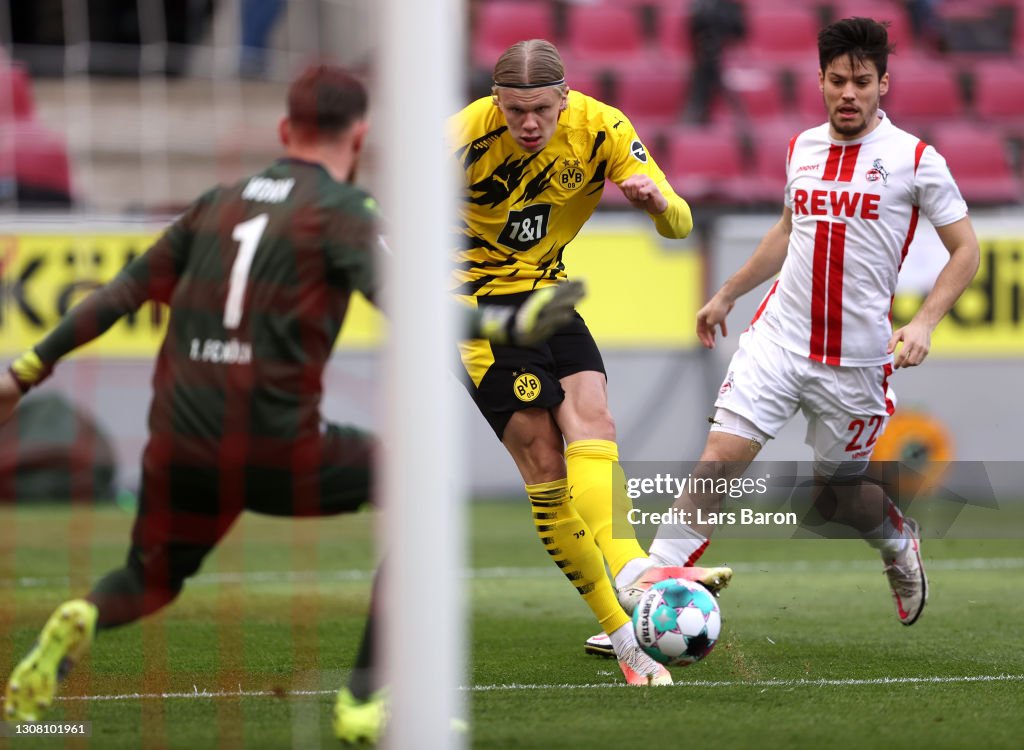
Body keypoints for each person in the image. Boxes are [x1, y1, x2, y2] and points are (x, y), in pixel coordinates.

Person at [0, 63, 584, 741]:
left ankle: (88, 615)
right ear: (359, 137)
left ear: (284, 129)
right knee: (422, 496)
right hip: (275, 440)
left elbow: (119, 294)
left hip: (180, 439)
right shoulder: (343, 214)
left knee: (152, 578)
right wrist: (511, 326)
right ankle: (365, 701)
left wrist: (24, 372)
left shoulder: (216, 201)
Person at [642, 17, 979, 626]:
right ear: (820, 81)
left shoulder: (917, 160)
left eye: (862, 82)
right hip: (777, 343)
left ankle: (897, 541)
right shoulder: (803, 147)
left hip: (854, 363)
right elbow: (787, 229)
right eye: (838, 80)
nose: (849, 93)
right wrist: (728, 293)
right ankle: (646, 597)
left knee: (833, 498)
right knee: (717, 459)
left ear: (883, 85)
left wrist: (925, 321)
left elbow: (967, 250)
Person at [450, 38, 733, 687]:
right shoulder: (458, 140)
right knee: (545, 463)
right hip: (474, 310)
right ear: (496, 101)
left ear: (564, 99)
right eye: (515, 109)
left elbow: (682, 223)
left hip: (546, 292)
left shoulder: (601, 129)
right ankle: (623, 639)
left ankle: (631, 568)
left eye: (541, 110)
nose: (528, 123)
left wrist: (656, 205)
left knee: (595, 423)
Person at [684, 0, 746, 124]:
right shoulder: (701, 7)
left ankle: (698, 113)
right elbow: (692, 29)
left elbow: (740, 31)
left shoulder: (733, 8)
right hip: (704, 59)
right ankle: (697, 114)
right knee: (706, 68)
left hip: (722, 55)